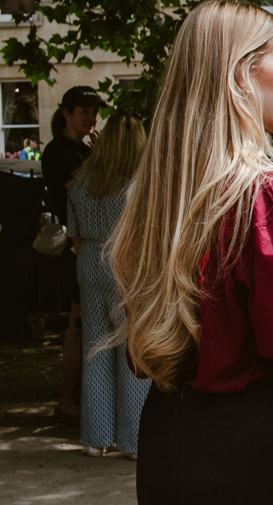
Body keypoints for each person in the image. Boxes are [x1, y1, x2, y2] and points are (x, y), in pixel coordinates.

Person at [109, 0, 273, 505]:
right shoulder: (272, 197)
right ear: (242, 74)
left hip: (167, 437)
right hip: (253, 449)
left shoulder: (158, 196)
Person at [67, 113, 151, 458]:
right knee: (133, 350)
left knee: (95, 348)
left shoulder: (81, 180)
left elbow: (74, 236)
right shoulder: (141, 184)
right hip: (127, 264)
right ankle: (134, 440)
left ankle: (96, 436)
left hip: (89, 259)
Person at [41, 86, 102, 421]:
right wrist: (105, 160)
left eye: (94, 112)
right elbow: (81, 193)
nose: (91, 119)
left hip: (88, 248)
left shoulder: (85, 149)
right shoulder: (57, 152)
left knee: (82, 327)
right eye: (84, 112)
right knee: (77, 328)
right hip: (75, 248)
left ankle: (74, 399)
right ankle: (67, 400)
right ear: (66, 113)